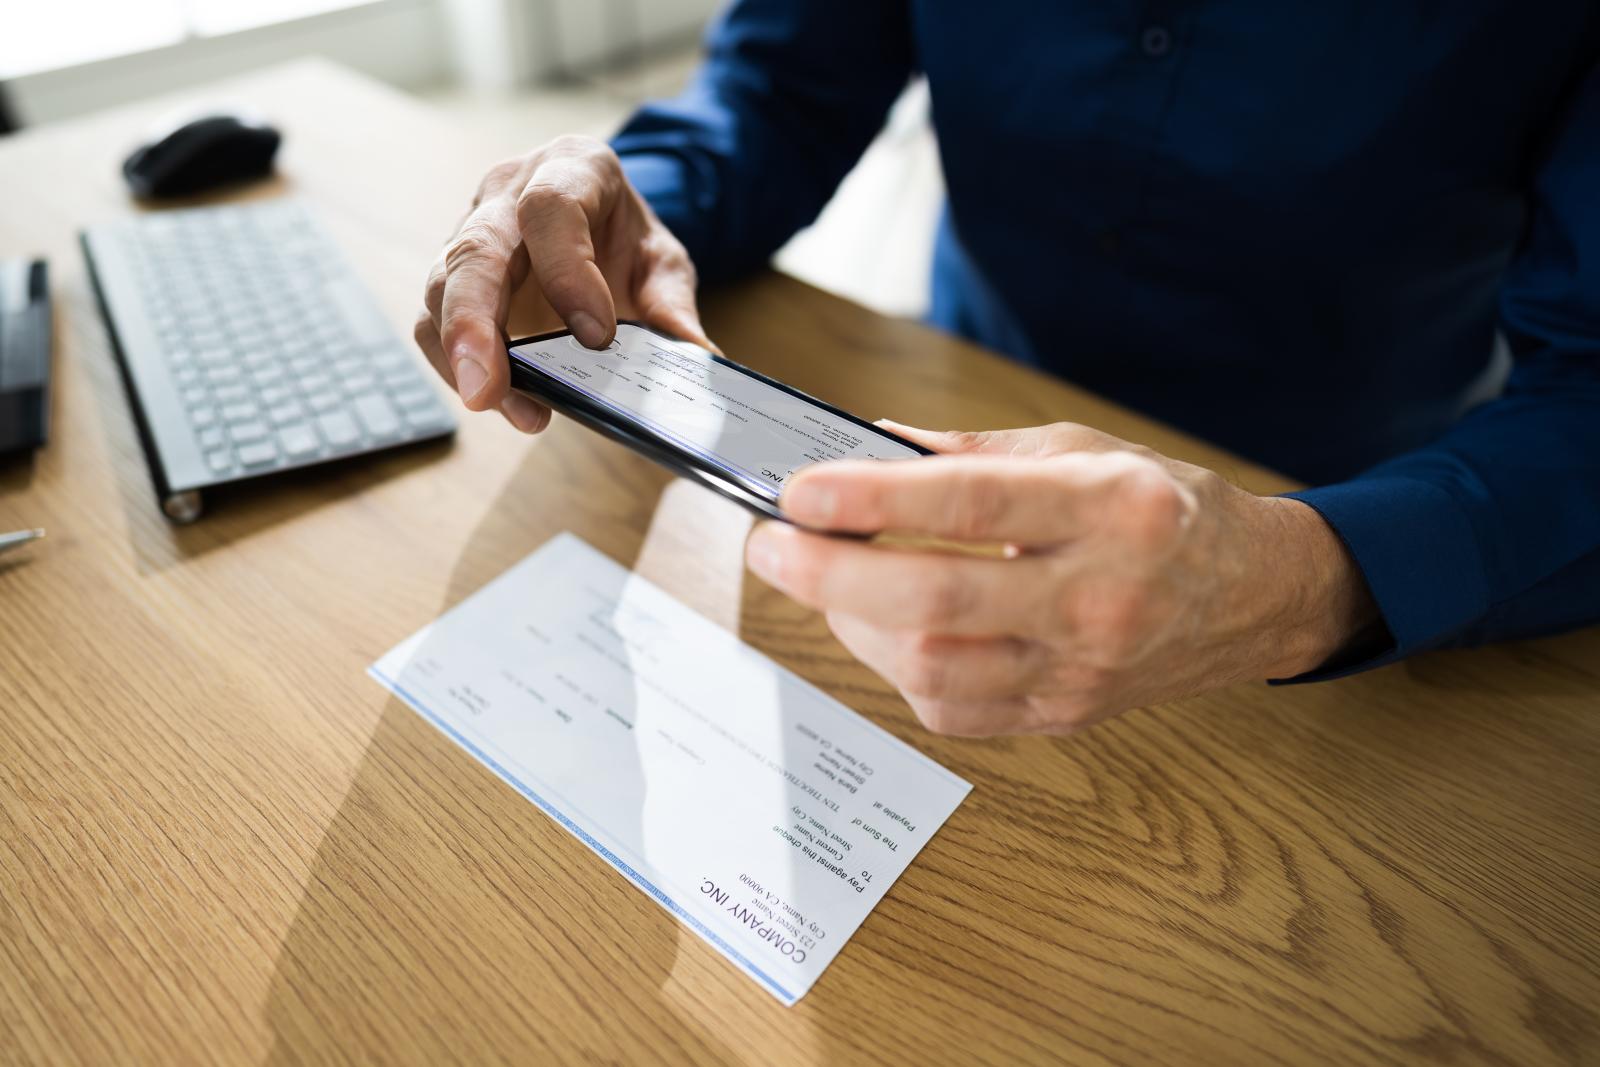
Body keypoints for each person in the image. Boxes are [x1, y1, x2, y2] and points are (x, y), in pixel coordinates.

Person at [414, 2, 1600, 737]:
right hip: (945, 439)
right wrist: (632, 200)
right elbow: (776, 92)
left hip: (1349, 512)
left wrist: (1304, 579)